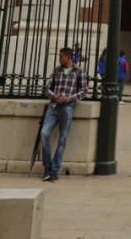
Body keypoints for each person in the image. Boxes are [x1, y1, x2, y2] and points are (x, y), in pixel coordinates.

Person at [39, 47, 87, 181]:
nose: (59, 59)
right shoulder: (56, 70)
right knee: (44, 134)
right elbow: (47, 88)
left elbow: (83, 91)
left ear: (68, 57)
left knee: (62, 139)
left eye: (61, 57)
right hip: (54, 106)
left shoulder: (79, 72)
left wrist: (69, 98)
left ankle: (54, 169)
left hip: (67, 107)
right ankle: (47, 167)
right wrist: (55, 96)